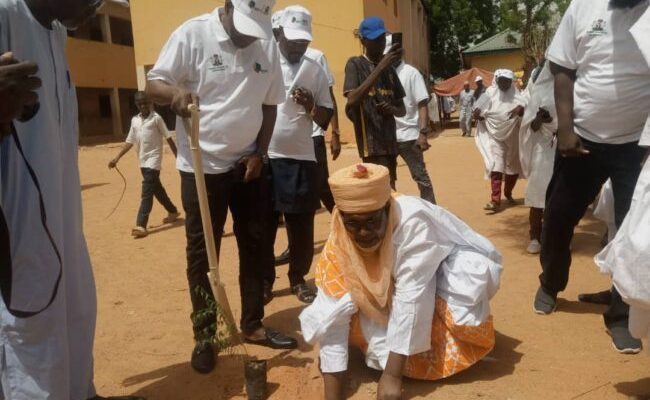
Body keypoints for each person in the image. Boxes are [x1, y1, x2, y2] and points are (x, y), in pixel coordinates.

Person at [0, 1, 144, 399]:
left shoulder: (58, 31)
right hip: (17, 226)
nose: (96, 10)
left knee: (75, 309)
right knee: (30, 331)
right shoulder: (4, 15)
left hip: (63, 220)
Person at [146, 0, 298, 375]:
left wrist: (261, 152)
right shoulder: (193, 33)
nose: (249, 36)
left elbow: (270, 104)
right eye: (244, 26)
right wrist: (175, 96)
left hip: (248, 165)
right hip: (201, 167)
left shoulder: (265, 44)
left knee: (256, 245)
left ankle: (252, 323)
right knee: (202, 253)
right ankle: (206, 335)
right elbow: (153, 84)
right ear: (228, 7)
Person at [299, 163, 502, 400]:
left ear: (387, 209)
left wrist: (392, 376)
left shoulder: (413, 223)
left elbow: (413, 296)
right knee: (345, 301)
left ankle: (425, 348)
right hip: (393, 293)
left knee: (464, 278)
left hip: (433, 283)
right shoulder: (340, 234)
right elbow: (332, 312)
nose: (363, 233)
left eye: (372, 222)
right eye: (353, 224)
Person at [533, 0, 650, 355]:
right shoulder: (584, 7)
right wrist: (565, 129)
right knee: (557, 217)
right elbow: (563, 69)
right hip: (581, 141)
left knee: (634, 234)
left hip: (637, 146)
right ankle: (551, 283)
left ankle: (621, 314)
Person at [266, 5, 334, 304]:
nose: (297, 47)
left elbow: (325, 117)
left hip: (300, 158)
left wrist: (310, 106)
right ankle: (265, 282)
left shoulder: (314, 68)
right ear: (279, 34)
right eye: (293, 42)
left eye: (303, 43)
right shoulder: (263, 63)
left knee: (301, 225)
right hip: (264, 155)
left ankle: (298, 279)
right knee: (263, 224)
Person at [343, 16, 406, 189]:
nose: (379, 43)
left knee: (390, 190)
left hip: (390, 144)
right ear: (363, 40)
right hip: (371, 146)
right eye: (374, 40)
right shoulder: (354, 64)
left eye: (381, 39)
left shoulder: (390, 69)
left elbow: (402, 110)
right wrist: (380, 68)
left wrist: (391, 109)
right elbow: (353, 99)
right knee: (377, 192)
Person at [108, 91, 180, 238]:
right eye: (140, 104)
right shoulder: (135, 120)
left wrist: (179, 157)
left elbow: (169, 138)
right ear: (136, 105)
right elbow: (130, 141)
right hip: (142, 161)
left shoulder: (157, 119)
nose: (143, 106)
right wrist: (117, 158)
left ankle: (141, 224)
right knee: (156, 189)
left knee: (146, 192)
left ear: (151, 103)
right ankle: (172, 210)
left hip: (154, 161)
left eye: (145, 103)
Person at [388, 34, 436, 204]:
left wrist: (423, 133)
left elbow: (422, 103)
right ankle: (392, 215)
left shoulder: (411, 73)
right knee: (388, 180)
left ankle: (432, 212)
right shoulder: (382, 72)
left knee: (420, 177)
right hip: (387, 137)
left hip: (409, 136)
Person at [518, 62, 557, 254]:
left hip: (563, 151)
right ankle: (535, 236)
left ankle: (559, 238)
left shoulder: (569, 92)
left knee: (561, 197)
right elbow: (531, 127)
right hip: (542, 152)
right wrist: (541, 119)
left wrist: (554, 122)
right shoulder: (537, 96)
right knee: (537, 195)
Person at [473, 69, 525, 213]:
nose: (505, 83)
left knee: (512, 166)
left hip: (513, 134)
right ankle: (495, 200)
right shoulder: (489, 93)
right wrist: (477, 114)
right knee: (496, 165)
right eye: (502, 80)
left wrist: (520, 110)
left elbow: (526, 107)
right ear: (497, 80)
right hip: (494, 134)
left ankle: (508, 192)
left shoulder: (517, 94)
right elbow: (477, 109)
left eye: (508, 81)